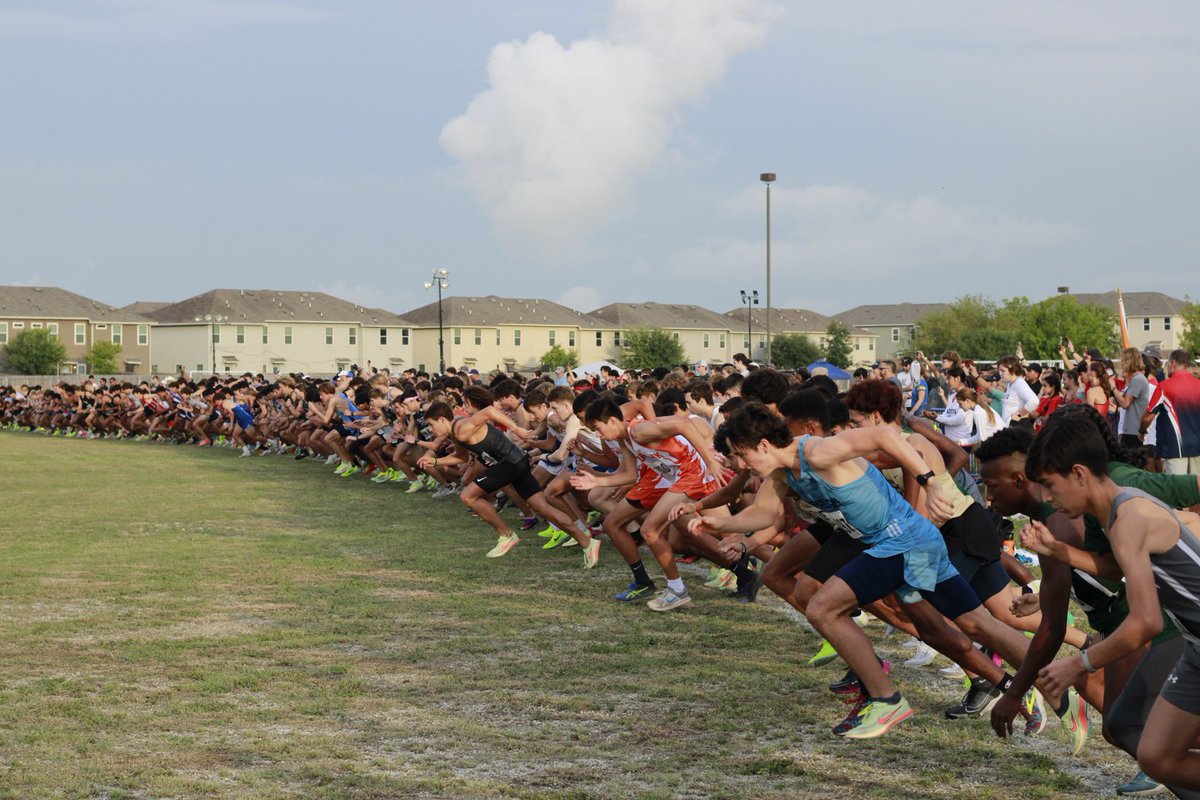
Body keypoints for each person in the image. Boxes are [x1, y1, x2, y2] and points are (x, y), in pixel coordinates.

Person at [1025, 415, 1200, 797]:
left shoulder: (1128, 515)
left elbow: (1146, 622)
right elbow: (1117, 566)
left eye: (1050, 486)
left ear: (1079, 474)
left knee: (1148, 742)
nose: (1046, 498)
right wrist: (1058, 550)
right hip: (1194, 645)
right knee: (1156, 756)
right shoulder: (1115, 512)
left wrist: (1078, 663)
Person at [1143, 349, 1200, 476]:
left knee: (1176, 490)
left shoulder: (1164, 387)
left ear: (1173, 363)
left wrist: (1141, 431)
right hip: (1198, 447)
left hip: (1175, 448)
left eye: (1168, 363)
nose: (1167, 367)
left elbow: (1148, 417)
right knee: (1197, 489)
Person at [1114, 346, 1153, 450]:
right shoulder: (1136, 379)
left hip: (1133, 432)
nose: (1121, 363)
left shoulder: (1138, 380)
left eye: (1123, 360)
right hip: (1131, 430)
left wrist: (1113, 388)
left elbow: (1125, 403)